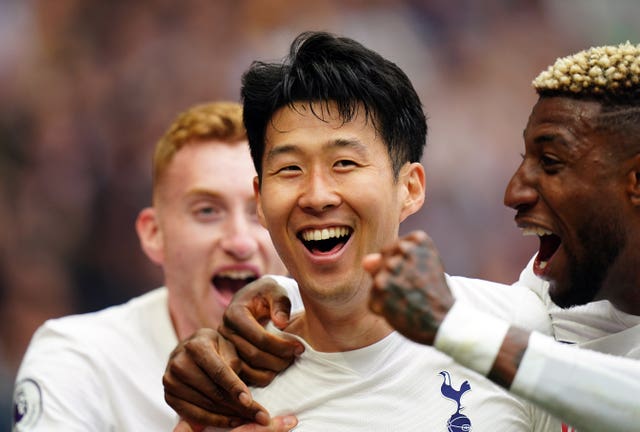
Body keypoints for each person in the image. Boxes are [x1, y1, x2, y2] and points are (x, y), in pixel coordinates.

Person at [164, 43, 640, 432]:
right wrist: (278, 292)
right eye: (289, 169)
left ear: (410, 188)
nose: (317, 194)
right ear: (261, 198)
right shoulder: (235, 396)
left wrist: (449, 328)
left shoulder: (518, 325)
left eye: (344, 163)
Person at [365, 42, 640, 432]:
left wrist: (454, 325)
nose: (514, 193)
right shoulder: (568, 292)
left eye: (551, 163)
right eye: (524, 160)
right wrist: (278, 304)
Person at [11, 101, 289, 431]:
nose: (240, 242)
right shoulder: (79, 359)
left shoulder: (338, 350)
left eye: (258, 212)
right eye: (207, 211)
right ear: (154, 234)